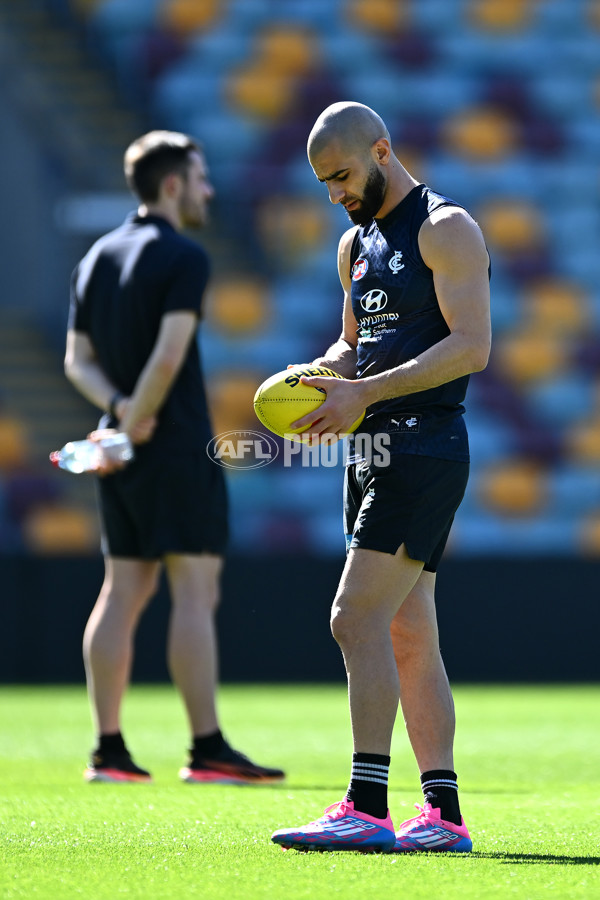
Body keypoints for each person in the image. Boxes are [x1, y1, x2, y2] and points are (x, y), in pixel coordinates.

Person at [271, 102, 490, 852]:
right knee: (406, 631)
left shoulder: (446, 227)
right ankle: (444, 816)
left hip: (423, 448)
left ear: (382, 150)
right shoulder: (354, 245)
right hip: (370, 452)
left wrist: (364, 391)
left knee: (351, 618)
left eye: (341, 176)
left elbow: (472, 346)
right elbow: (350, 345)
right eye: (323, 183)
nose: (334, 192)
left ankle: (367, 805)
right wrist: (317, 376)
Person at [64, 130, 284, 786]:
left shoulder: (94, 258)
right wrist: (135, 423)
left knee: (122, 586)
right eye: (200, 177)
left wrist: (116, 422)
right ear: (171, 186)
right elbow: (167, 357)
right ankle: (207, 747)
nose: (207, 189)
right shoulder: (184, 257)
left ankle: (108, 751)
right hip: (172, 443)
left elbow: (77, 361)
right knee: (194, 586)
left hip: (117, 446)